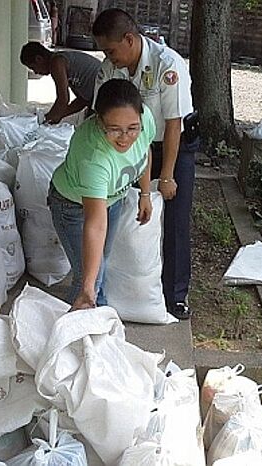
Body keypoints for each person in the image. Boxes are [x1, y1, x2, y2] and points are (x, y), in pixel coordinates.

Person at [91, 8, 198, 320]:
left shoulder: (168, 65)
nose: (108, 58)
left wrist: (166, 176)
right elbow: (100, 114)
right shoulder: (110, 68)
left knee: (175, 220)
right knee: (125, 213)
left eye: (111, 50)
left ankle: (175, 296)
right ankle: (119, 288)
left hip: (173, 145)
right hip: (133, 146)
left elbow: (174, 124)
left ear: (129, 39)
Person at [48, 79, 155, 310]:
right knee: (88, 276)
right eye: (114, 129)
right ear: (99, 121)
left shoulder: (145, 120)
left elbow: (145, 151)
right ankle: (73, 332)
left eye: (132, 128)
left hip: (112, 199)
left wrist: (145, 194)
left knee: (101, 262)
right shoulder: (93, 157)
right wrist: (88, 288)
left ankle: (97, 310)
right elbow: (95, 225)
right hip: (73, 206)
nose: (125, 137)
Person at [19, 42, 101, 124]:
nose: (36, 72)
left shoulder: (57, 63)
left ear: (39, 59)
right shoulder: (63, 63)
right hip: (97, 98)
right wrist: (56, 116)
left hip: (104, 96)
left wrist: (46, 120)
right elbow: (82, 100)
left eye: (33, 67)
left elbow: (63, 99)